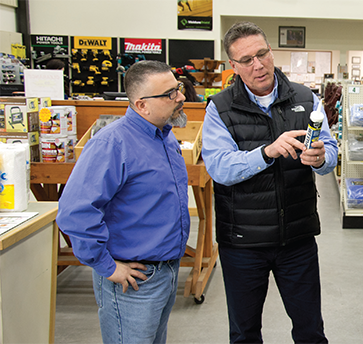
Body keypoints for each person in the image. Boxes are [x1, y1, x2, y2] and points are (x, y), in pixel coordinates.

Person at [201, 21, 338, 344]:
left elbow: (330, 150)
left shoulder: (306, 99)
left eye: (262, 54)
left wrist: (321, 159)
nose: (258, 64)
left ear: (271, 52)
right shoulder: (219, 109)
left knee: (310, 331)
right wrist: (266, 152)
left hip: (298, 238)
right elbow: (219, 168)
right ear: (233, 66)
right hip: (243, 243)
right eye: (246, 60)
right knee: (245, 332)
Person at [56, 60, 190, 343]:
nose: (181, 97)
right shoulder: (112, 144)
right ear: (142, 105)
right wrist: (107, 266)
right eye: (170, 94)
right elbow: (74, 211)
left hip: (165, 271)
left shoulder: (164, 137)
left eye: (177, 88)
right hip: (133, 278)